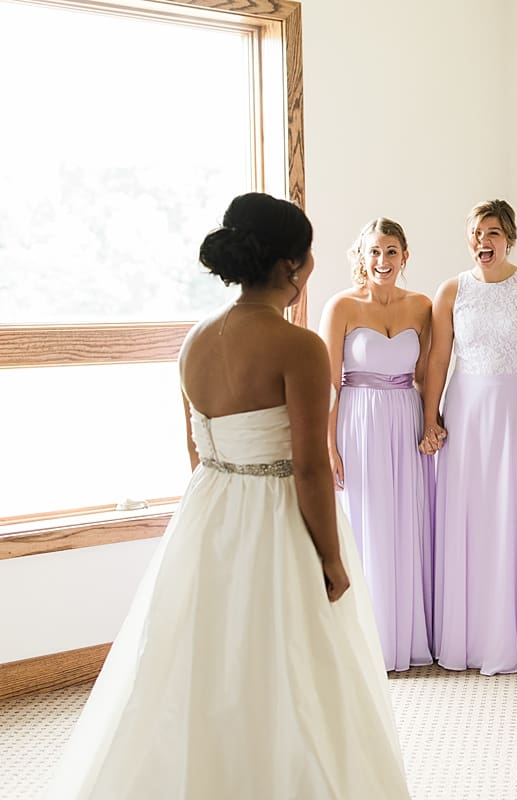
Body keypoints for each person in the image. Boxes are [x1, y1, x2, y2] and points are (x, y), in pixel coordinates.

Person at [44, 193, 410, 798]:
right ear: (293, 265)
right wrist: (330, 557)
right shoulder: (298, 346)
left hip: (208, 511)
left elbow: (197, 453)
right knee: (290, 663)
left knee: (200, 658)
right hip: (277, 517)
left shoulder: (195, 340)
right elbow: (312, 468)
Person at [420, 199, 517, 675]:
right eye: (477, 233)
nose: (484, 241)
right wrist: (431, 418)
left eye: (493, 233)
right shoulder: (450, 291)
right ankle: (470, 634)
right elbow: (437, 362)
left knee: (515, 512)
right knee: (471, 514)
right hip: (467, 410)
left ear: (510, 238)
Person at [319, 218, 434, 673]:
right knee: (365, 523)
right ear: (361, 258)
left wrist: (432, 422)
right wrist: (328, 444)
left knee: (403, 522)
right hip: (358, 421)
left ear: (405, 256)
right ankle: (362, 644)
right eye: (373, 252)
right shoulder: (342, 306)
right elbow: (328, 382)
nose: (382, 261)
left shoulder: (422, 306)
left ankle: (403, 637)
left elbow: (428, 376)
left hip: (404, 418)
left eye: (391, 252)